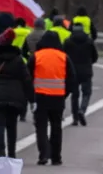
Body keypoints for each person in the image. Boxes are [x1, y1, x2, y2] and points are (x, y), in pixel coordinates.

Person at [0, 30, 33, 156]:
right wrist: (31, 97)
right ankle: (12, 152)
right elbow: (26, 78)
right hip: (15, 95)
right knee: (12, 126)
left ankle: (1, 153)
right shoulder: (18, 58)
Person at [30, 31, 73, 166]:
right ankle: (56, 157)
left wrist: (31, 96)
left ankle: (43, 155)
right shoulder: (63, 57)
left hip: (40, 97)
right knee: (56, 127)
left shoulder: (36, 56)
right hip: (58, 98)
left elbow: (27, 77)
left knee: (41, 127)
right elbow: (72, 79)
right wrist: (64, 93)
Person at [64, 23, 99, 126]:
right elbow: (95, 56)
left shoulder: (68, 42)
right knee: (86, 93)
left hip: (72, 72)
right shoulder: (89, 41)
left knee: (74, 95)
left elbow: (63, 56)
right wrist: (88, 63)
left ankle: (74, 118)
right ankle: (82, 110)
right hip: (86, 71)